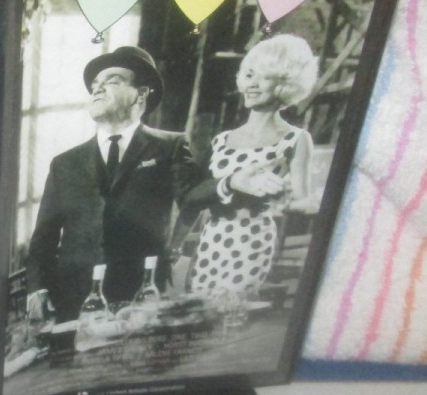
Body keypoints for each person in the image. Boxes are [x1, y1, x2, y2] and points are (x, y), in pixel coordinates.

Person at [25, 45, 210, 323]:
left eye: (112, 81)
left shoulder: (169, 147)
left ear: (141, 94)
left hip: (141, 294)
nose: (98, 88)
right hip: (74, 297)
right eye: (95, 84)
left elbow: (192, 198)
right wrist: (37, 288)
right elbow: (44, 236)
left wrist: (174, 246)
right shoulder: (64, 163)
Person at [189, 33, 319, 298]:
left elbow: (303, 202)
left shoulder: (296, 139)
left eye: (264, 77)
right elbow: (196, 196)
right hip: (210, 237)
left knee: (230, 310)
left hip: (251, 239)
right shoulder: (221, 139)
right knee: (198, 307)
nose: (252, 84)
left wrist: (281, 195)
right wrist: (177, 248)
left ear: (286, 83)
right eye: (249, 75)